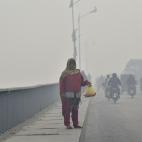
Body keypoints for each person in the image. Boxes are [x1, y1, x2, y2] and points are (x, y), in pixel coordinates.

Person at [59, 58, 90, 129]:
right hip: (68, 96)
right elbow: (61, 85)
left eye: (73, 63)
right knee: (67, 111)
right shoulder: (64, 74)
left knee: (75, 110)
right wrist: (62, 93)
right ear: (68, 64)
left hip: (77, 96)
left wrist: (87, 83)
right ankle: (67, 124)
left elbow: (81, 83)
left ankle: (75, 124)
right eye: (71, 63)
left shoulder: (78, 73)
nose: (72, 65)